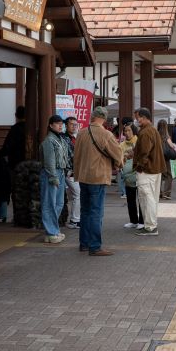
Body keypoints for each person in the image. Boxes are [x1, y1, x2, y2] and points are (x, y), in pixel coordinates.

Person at [73, 105, 124, 256]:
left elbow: (76, 156)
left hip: (83, 176)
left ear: (92, 116)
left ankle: (84, 243)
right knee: (96, 212)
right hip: (98, 177)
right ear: (104, 118)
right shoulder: (106, 134)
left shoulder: (81, 133)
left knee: (85, 211)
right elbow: (117, 153)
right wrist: (119, 163)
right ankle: (95, 246)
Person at [132, 108, 166, 236]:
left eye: (138, 117)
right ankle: (150, 225)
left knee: (147, 198)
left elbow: (144, 153)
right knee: (152, 198)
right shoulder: (153, 130)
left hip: (147, 170)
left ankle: (150, 227)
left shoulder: (145, 132)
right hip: (155, 169)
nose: (136, 120)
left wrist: (140, 166)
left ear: (144, 117)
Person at [38, 114, 70, 243]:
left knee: (59, 203)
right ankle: (51, 232)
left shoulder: (60, 139)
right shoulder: (48, 141)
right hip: (51, 173)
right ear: (51, 125)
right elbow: (49, 162)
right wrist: (53, 177)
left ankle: (51, 230)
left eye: (61, 123)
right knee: (49, 203)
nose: (60, 125)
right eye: (57, 123)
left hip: (61, 172)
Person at [64, 117, 81, 230]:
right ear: (66, 126)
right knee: (77, 194)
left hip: (78, 171)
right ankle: (74, 220)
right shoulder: (64, 139)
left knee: (73, 195)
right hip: (69, 171)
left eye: (76, 124)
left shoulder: (78, 137)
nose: (74, 126)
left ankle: (75, 218)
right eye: (71, 124)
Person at [159, 118, 176, 200]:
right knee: (168, 175)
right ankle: (166, 193)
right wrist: (175, 146)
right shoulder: (166, 136)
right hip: (165, 158)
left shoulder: (156, 134)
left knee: (159, 175)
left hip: (157, 158)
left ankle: (158, 193)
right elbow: (171, 146)